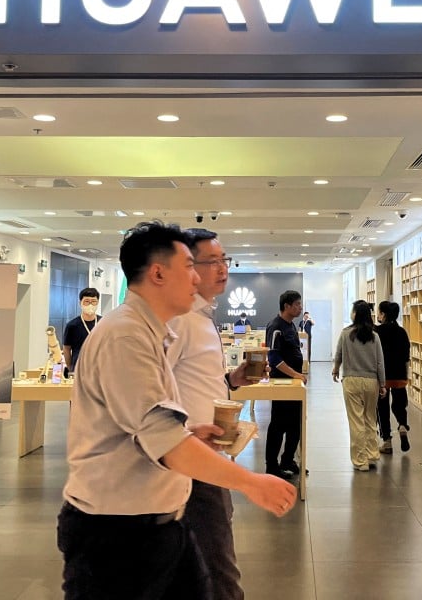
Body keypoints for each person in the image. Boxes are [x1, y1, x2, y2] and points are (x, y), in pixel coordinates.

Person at [58, 221, 297, 600]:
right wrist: (253, 483)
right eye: (189, 266)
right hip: (117, 531)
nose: (199, 277)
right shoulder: (126, 336)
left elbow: (151, 419)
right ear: (157, 273)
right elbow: (163, 438)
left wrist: (189, 432)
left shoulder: (155, 331)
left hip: (158, 520)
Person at [167, 228, 251, 600]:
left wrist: (232, 379)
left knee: (206, 563)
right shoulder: (180, 320)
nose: (222, 269)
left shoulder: (202, 318)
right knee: (219, 570)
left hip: (207, 452)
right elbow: (155, 391)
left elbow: (193, 380)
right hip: (191, 457)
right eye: (211, 261)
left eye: (225, 260)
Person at [332, 299, 386, 471]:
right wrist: (382, 384)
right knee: (370, 419)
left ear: (355, 314)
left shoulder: (346, 333)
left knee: (356, 420)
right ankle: (372, 455)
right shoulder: (374, 336)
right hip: (371, 382)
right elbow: (379, 363)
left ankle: (360, 461)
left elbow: (338, 354)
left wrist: (335, 370)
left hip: (351, 380)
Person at [264, 290, 308, 478]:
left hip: (294, 384)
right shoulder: (275, 327)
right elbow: (274, 358)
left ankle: (288, 459)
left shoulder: (292, 326)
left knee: (295, 424)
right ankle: (272, 466)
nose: (300, 307)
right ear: (287, 306)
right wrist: (295, 374)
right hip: (282, 383)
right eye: (297, 304)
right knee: (278, 424)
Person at [375, 300, 411, 453]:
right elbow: (406, 356)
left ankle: (387, 441)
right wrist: (406, 376)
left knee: (382, 408)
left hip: (383, 375)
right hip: (399, 375)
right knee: (399, 403)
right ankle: (402, 425)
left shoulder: (378, 332)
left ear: (383, 314)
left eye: (379, 312)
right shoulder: (402, 332)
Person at [61, 287, 101, 372]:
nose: (90, 305)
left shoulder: (104, 323)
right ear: (80, 303)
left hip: (100, 369)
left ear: (97, 303)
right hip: (79, 369)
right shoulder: (72, 325)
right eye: (86, 301)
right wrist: (70, 368)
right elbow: (66, 349)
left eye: (94, 301)